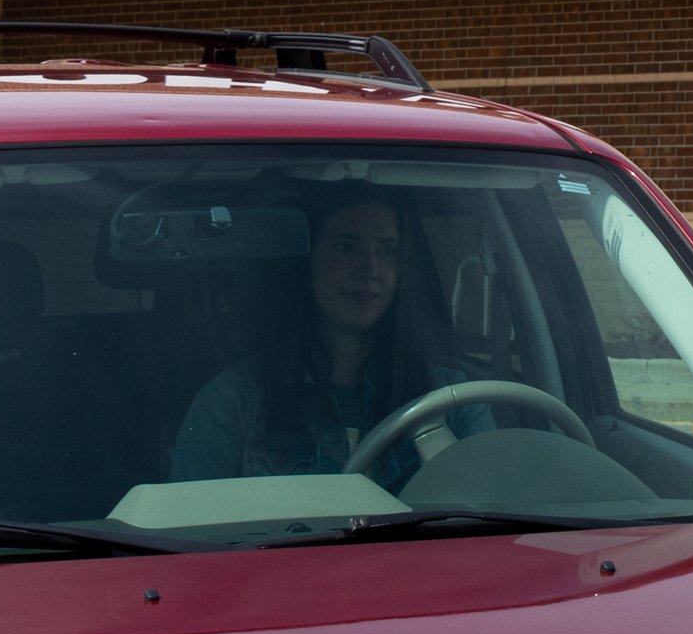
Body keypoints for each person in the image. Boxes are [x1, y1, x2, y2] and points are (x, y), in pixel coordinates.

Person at [167, 191, 486, 486]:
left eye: (387, 251)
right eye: (345, 247)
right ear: (305, 260)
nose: (370, 269)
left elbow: (493, 505)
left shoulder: (452, 400)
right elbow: (190, 525)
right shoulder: (234, 403)